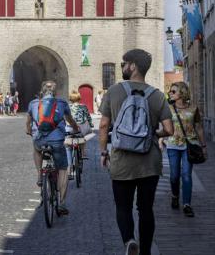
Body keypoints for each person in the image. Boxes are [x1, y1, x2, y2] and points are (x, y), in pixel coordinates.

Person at [99, 49, 173, 255]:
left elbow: (104, 125)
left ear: (133, 66)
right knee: (146, 209)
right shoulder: (157, 95)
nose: (122, 67)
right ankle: (146, 251)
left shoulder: (113, 92)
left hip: (122, 160)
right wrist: (154, 133)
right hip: (149, 162)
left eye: (124, 64)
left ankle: (129, 240)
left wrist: (103, 152)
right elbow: (169, 129)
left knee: (123, 207)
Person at [26, 80, 79, 216]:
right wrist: (75, 128)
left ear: (41, 91)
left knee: (36, 148)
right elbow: (70, 120)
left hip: (39, 139)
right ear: (55, 92)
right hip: (56, 140)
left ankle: (39, 174)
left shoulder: (33, 104)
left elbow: (28, 122)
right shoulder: (61, 103)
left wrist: (29, 131)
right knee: (62, 169)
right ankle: (61, 202)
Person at [159, 81, 208, 218]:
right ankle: (175, 195)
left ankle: (187, 204)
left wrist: (203, 146)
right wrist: (160, 139)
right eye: (170, 91)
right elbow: (164, 126)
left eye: (173, 91)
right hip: (173, 145)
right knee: (174, 175)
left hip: (189, 145)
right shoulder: (168, 108)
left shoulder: (193, 108)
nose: (170, 93)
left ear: (182, 92)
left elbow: (199, 127)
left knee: (186, 175)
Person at [65, 90, 93, 178]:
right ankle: (83, 153)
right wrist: (91, 124)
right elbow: (88, 117)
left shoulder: (67, 106)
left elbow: (64, 118)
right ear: (79, 98)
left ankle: (69, 169)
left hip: (69, 128)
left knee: (68, 146)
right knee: (83, 139)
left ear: (70, 99)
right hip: (80, 128)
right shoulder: (83, 106)